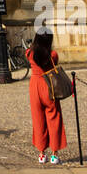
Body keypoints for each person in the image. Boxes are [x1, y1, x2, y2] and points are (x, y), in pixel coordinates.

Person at [26, 28, 67, 164]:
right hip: (49, 86)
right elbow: (53, 62)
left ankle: (42, 154)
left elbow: (29, 54)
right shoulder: (52, 55)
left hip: (35, 86)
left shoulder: (29, 53)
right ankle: (54, 154)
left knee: (38, 120)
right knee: (54, 118)